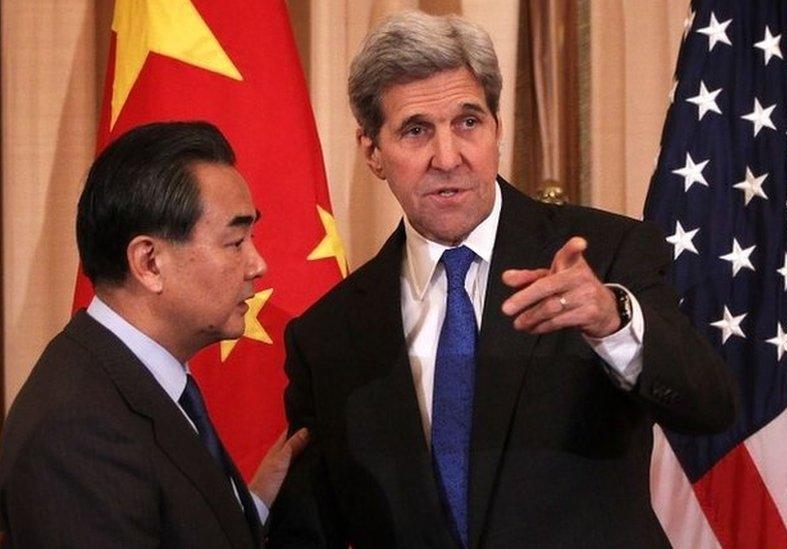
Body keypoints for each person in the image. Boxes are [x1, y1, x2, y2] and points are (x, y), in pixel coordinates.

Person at [268, 10, 735, 548]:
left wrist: (614, 322)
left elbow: (709, 407)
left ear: (497, 127)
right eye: (416, 131)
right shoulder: (329, 334)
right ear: (373, 152)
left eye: (468, 122)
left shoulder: (606, 258)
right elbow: (311, 527)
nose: (449, 157)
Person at [0, 121, 308, 548]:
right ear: (149, 263)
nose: (258, 265)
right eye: (236, 242)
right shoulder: (76, 432)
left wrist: (249, 507)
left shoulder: (130, 379)